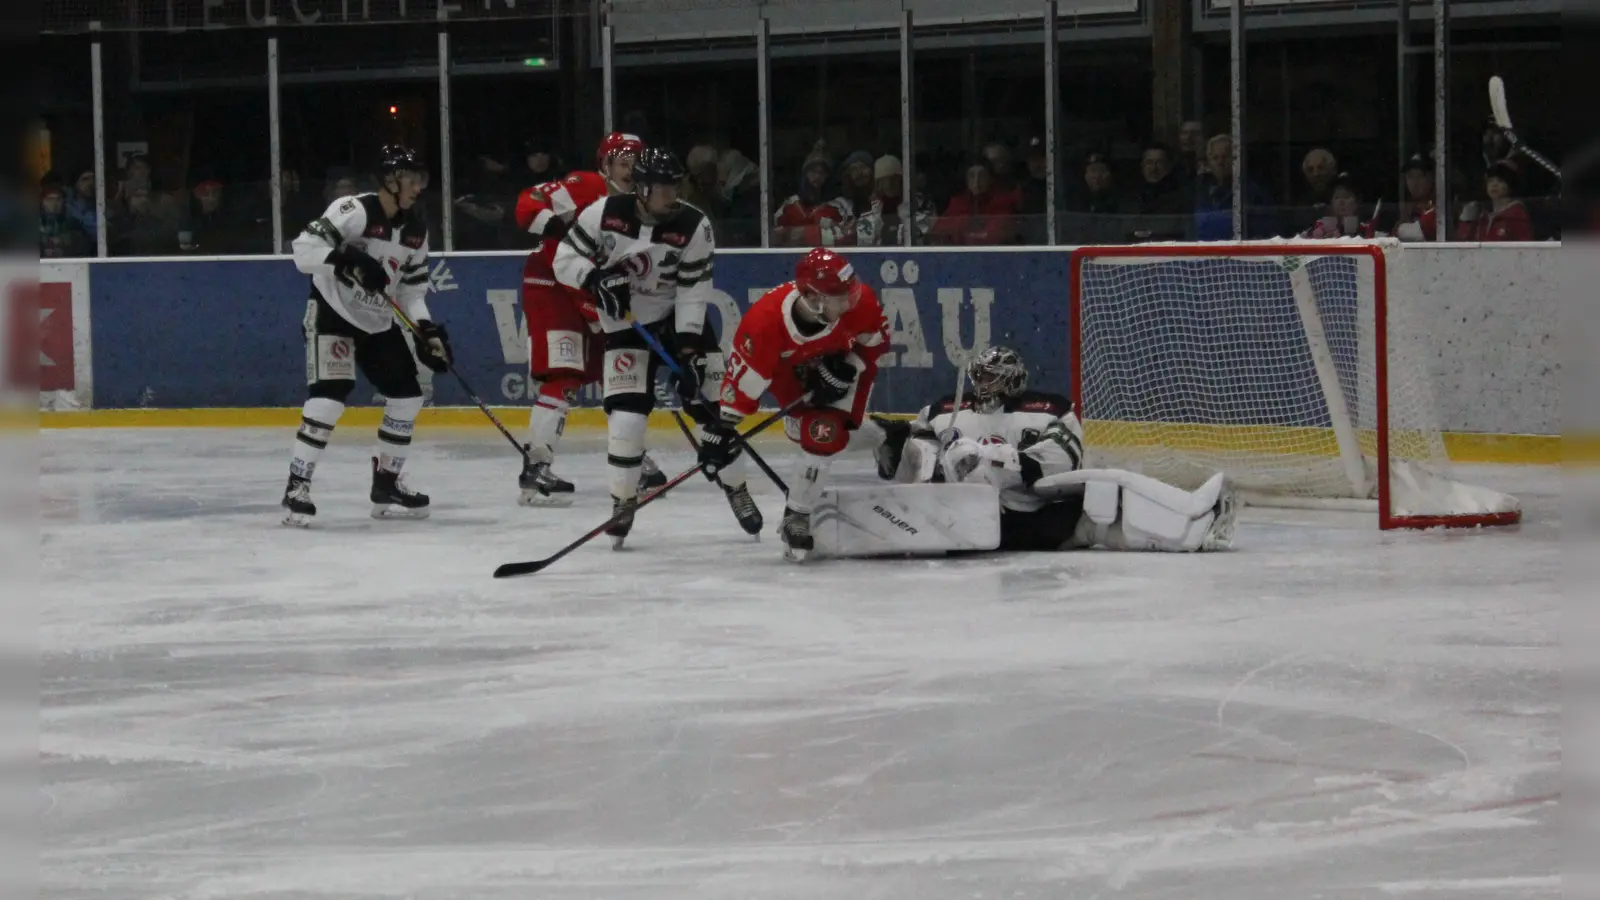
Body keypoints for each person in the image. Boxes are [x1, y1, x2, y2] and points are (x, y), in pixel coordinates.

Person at [870, 346, 1237, 553]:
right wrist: (900, 445)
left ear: (1013, 380)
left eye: (991, 377)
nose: (982, 384)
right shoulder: (942, 410)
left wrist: (1001, 461)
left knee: (1104, 496)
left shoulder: (1048, 408)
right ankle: (1190, 529)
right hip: (959, 520)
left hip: (1027, 513)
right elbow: (916, 461)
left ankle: (1194, 524)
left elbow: (1064, 457)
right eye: (978, 376)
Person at [552, 146, 737, 547]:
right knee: (627, 419)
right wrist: (594, 278)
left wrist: (688, 351)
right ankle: (622, 502)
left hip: (678, 318)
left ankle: (736, 487)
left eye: (676, 186)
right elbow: (563, 259)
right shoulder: (602, 213)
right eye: (664, 188)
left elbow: (693, 290)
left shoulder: (695, 225)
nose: (673, 195)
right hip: (626, 322)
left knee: (712, 406)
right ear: (642, 188)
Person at [280, 145, 451, 527]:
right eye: (412, 178)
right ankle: (297, 486)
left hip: (377, 321)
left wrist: (427, 331)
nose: (418, 187)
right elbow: (303, 249)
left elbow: (411, 291)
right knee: (328, 399)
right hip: (332, 314)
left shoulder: (416, 230)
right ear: (390, 180)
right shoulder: (353, 210)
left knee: (407, 397)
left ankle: (387, 483)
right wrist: (348, 259)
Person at [698, 248, 891, 562]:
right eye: (840, 297)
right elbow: (741, 390)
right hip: (790, 372)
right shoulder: (763, 325)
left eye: (850, 292)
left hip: (845, 367)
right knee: (801, 430)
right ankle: (885, 434)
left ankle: (797, 515)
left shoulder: (859, 302)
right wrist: (721, 431)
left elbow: (877, 342)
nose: (851, 301)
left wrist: (849, 365)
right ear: (814, 299)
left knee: (822, 432)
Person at [511, 131, 668, 506]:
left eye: (636, 163)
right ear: (606, 165)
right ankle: (536, 466)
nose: (630, 170)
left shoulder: (644, 205)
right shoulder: (585, 185)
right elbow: (526, 203)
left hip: (593, 293)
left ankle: (631, 455)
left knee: (620, 373)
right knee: (564, 375)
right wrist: (553, 224)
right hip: (552, 285)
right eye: (623, 162)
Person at [774, 142, 850, 247]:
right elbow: (774, 237)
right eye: (813, 171)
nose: (817, 176)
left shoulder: (840, 206)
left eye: (822, 172)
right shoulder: (789, 204)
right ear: (805, 174)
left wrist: (804, 234)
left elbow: (848, 238)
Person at [1456, 159, 1534, 241]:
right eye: (1490, 181)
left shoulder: (1517, 215)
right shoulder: (1482, 216)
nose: (1494, 185)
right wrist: (1466, 221)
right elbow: (1465, 243)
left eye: (1500, 181)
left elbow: (1525, 246)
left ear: (1511, 185)